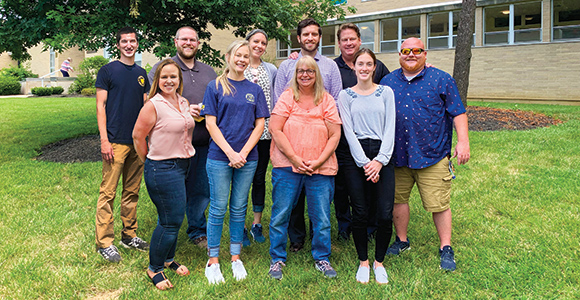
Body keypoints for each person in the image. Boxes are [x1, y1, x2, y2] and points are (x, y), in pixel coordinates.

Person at [379, 37, 470, 271]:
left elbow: (458, 112)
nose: (411, 54)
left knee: (438, 203)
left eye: (416, 50)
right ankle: (401, 240)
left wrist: (463, 142)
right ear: (399, 55)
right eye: (405, 51)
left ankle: (446, 247)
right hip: (398, 154)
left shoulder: (441, 80)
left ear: (425, 54)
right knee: (398, 200)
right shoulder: (387, 81)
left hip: (432, 154)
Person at [201, 40, 269, 284]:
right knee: (218, 208)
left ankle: (235, 256)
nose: (242, 59)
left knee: (239, 207)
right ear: (228, 57)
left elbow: (260, 124)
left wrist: (243, 153)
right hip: (220, 158)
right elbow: (210, 123)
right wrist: (231, 153)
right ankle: (213, 260)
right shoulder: (215, 86)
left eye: (246, 56)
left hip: (248, 159)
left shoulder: (255, 89)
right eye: (237, 55)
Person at [268, 56, 341, 280]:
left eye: (310, 71)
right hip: (287, 166)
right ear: (295, 74)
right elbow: (275, 128)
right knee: (281, 214)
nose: (305, 74)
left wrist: (317, 161)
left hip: (321, 167)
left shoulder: (326, 99)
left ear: (317, 74)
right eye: (301, 71)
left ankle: (322, 258)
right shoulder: (288, 97)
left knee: (321, 217)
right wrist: (294, 158)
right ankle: (277, 259)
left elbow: (335, 134)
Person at [274, 17, 342, 252]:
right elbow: (278, 104)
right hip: (290, 142)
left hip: (320, 144)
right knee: (291, 202)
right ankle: (296, 239)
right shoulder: (286, 66)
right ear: (299, 38)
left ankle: (318, 242)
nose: (310, 38)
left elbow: (334, 99)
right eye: (306, 34)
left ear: (319, 37)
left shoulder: (330, 66)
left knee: (319, 203)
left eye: (314, 34)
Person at [148, 26, 217, 249]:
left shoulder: (208, 72)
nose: (188, 43)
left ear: (198, 43)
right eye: (184, 39)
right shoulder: (162, 68)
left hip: (203, 143)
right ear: (175, 42)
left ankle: (197, 231)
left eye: (193, 40)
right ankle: (168, 232)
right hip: (172, 146)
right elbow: (150, 103)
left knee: (200, 190)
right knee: (172, 192)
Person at [133, 59, 195, 290]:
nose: (169, 81)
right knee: (171, 221)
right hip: (162, 168)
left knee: (171, 217)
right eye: (164, 77)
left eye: (174, 77)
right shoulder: (153, 105)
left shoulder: (183, 101)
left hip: (183, 165)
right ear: (157, 80)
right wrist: (149, 161)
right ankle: (154, 267)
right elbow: (138, 136)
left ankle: (168, 259)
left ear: (180, 80)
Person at [337, 49, 395, 284]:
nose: (363, 68)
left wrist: (380, 160)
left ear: (374, 67)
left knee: (384, 212)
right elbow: (348, 132)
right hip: (355, 156)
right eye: (360, 64)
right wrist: (364, 163)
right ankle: (364, 261)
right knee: (359, 211)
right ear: (354, 67)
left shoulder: (386, 93)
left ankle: (379, 261)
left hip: (383, 155)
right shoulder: (345, 96)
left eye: (368, 64)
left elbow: (391, 126)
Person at [94, 27, 150, 263]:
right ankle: (104, 242)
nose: (129, 44)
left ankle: (129, 235)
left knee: (132, 191)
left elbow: (148, 108)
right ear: (118, 45)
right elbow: (100, 106)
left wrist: (147, 139)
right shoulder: (107, 71)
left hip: (137, 142)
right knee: (108, 192)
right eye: (124, 41)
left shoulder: (142, 73)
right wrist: (104, 140)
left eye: (133, 41)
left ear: (137, 44)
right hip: (115, 141)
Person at [333, 23, 390, 242]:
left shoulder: (376, 66)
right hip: (341, 136)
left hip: (371, 137)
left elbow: (392, 86)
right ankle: (345, 226)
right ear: (339, 43)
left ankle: (371, 226)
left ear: (359, 41)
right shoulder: (332, 67)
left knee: (370, 185)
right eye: (344, 39)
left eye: (352, 39)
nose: (348, 43)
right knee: (342, 186)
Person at [242, 29, 277, 245]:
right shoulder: (238, 65)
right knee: (241, 179)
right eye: (256, 41)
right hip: (241, 134)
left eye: (263, 42)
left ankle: (256, 223)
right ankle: (240, 225)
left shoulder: (271, 69)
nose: (259, 46)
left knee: (259, 177)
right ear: (248, 43)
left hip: (264, 133)